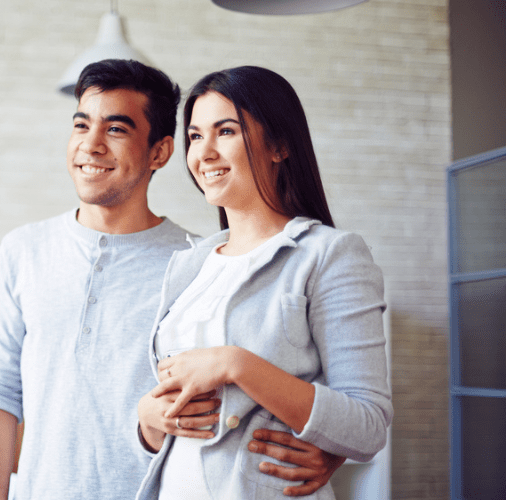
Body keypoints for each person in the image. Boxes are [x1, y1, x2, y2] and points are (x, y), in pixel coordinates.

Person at [0, 59, 346, 500]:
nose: (91, 145)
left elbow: (286, 373)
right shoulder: (23, 250)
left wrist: (330, 449)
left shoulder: (202, 262)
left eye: (116, 129)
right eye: (81, 125)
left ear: (160, 152)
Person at [135, 66, 393, 499]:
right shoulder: (189, 266)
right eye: (195, 136)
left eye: (226, 131)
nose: (205, 152)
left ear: (279, 146)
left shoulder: (328, 254)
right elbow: (172, 425)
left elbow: (367, 426)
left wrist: (237, 365)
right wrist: (148, 421)